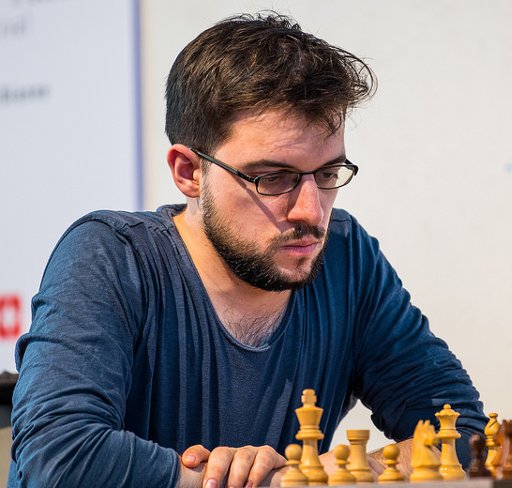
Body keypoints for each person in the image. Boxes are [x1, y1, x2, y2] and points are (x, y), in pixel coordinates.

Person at [9, 12, 486, 488]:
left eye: (326, 175)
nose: (312, 212)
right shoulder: (110, 256)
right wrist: (241, 481)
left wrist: (313, 474)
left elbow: (462, 429)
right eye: (272, 178)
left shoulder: (345, 255)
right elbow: (59, 455)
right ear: (189, 172)